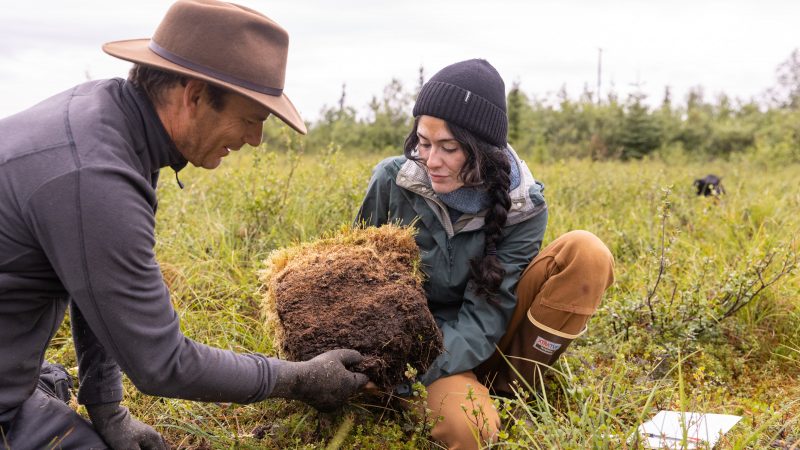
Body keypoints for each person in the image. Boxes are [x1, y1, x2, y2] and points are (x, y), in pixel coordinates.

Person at [0, 1, 368, 448]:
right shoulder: (95, 174)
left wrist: (107, 408)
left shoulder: (112, 122)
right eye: (251, 119)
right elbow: (162, 362)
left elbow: (94, 283)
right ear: (194, 96)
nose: (254, 139)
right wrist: (299, 379)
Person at [356, 59, 615, 449]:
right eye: (423, 143)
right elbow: (354, 280)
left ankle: (509, 391)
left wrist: (414, 374)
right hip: (416, 346)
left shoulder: (522, 204)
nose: (431, 160)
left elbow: (486, 313)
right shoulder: (393, 180)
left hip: (482, 337)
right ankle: (452, 396)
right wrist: (385, 364)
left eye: (449, 147)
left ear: (481, 151)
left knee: (587, 252)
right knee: (470, 432)